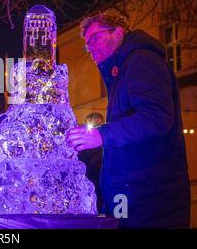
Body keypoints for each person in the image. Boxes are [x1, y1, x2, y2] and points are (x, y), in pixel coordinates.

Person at [66, 13, 191, 228]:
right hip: (132, 198)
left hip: (151, 202)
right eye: (87, 45)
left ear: (118, 32)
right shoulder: (122, 71)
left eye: (94, 38)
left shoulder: (142, 61)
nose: (91, 48)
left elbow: (157, 117)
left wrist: (101, 134)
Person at [78, 112, 104, 211]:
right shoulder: (82, 142)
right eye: (93, 125)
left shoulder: (105, 143)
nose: (95, 128)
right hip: (86, 180)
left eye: (98, 125)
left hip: (100, 181)